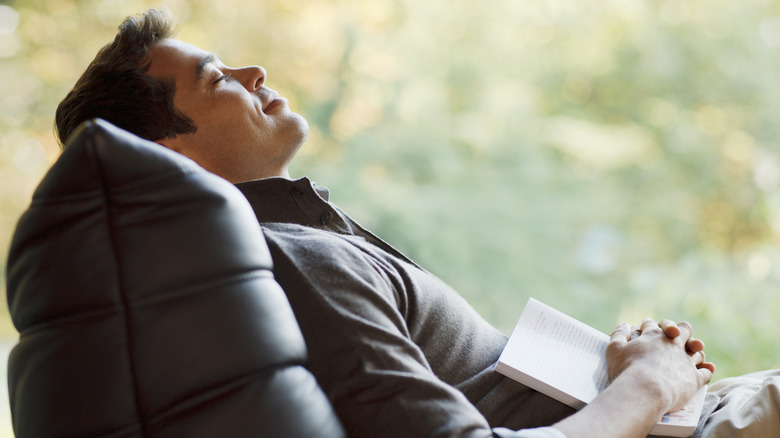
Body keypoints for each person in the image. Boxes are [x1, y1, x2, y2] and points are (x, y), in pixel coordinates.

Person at [53, 8, 779, 438]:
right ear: (170, 152)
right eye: (218, 79)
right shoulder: (289, 262)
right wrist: (650, 382)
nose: (253, 73)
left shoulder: (297, 245)